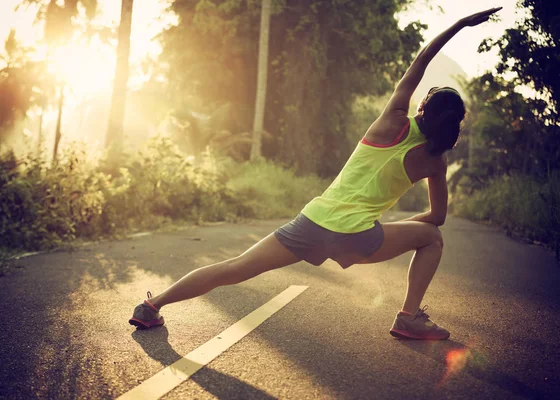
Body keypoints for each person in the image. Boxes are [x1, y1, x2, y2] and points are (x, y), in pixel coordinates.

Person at [129, 7, 502, 340]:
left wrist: (458, 24)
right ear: (453, 127)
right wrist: (382, 228)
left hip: (312, 222)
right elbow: (436, 219)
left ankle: (153, 305)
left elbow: (420, 60)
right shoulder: (437, 162)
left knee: (236, 267)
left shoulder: (392, 121)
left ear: (423, 107)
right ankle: (408, 318)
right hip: (359, 238)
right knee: (431, 238)